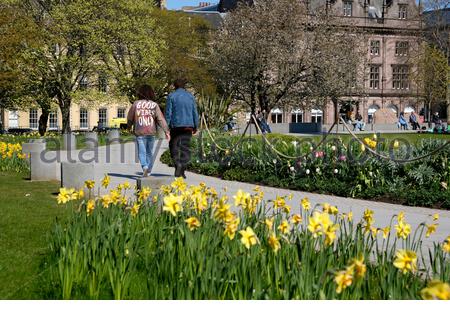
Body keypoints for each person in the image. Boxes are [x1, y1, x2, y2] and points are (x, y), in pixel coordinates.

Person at [127, 84, 170, 177]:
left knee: (142, 151)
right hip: (151, 131)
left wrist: (128, 126)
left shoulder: (136, 104)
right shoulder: (154, 105)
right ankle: (149, 171)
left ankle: (145, 167)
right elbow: (160, 119)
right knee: (149, 152)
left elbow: (130, 117)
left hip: (140, 132)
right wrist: (166, 131)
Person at [165, 78, 199, 179]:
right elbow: (194, 112)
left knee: (173, 146)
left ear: (175, 86)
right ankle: (182, 169)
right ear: (184, 86)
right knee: (185, 147)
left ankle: (178, 165)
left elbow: (168, 113)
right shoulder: (190, 96)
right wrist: (195, 125)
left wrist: (166, 127)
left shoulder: (171, 96)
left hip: (175, 125)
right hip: (188, 125)